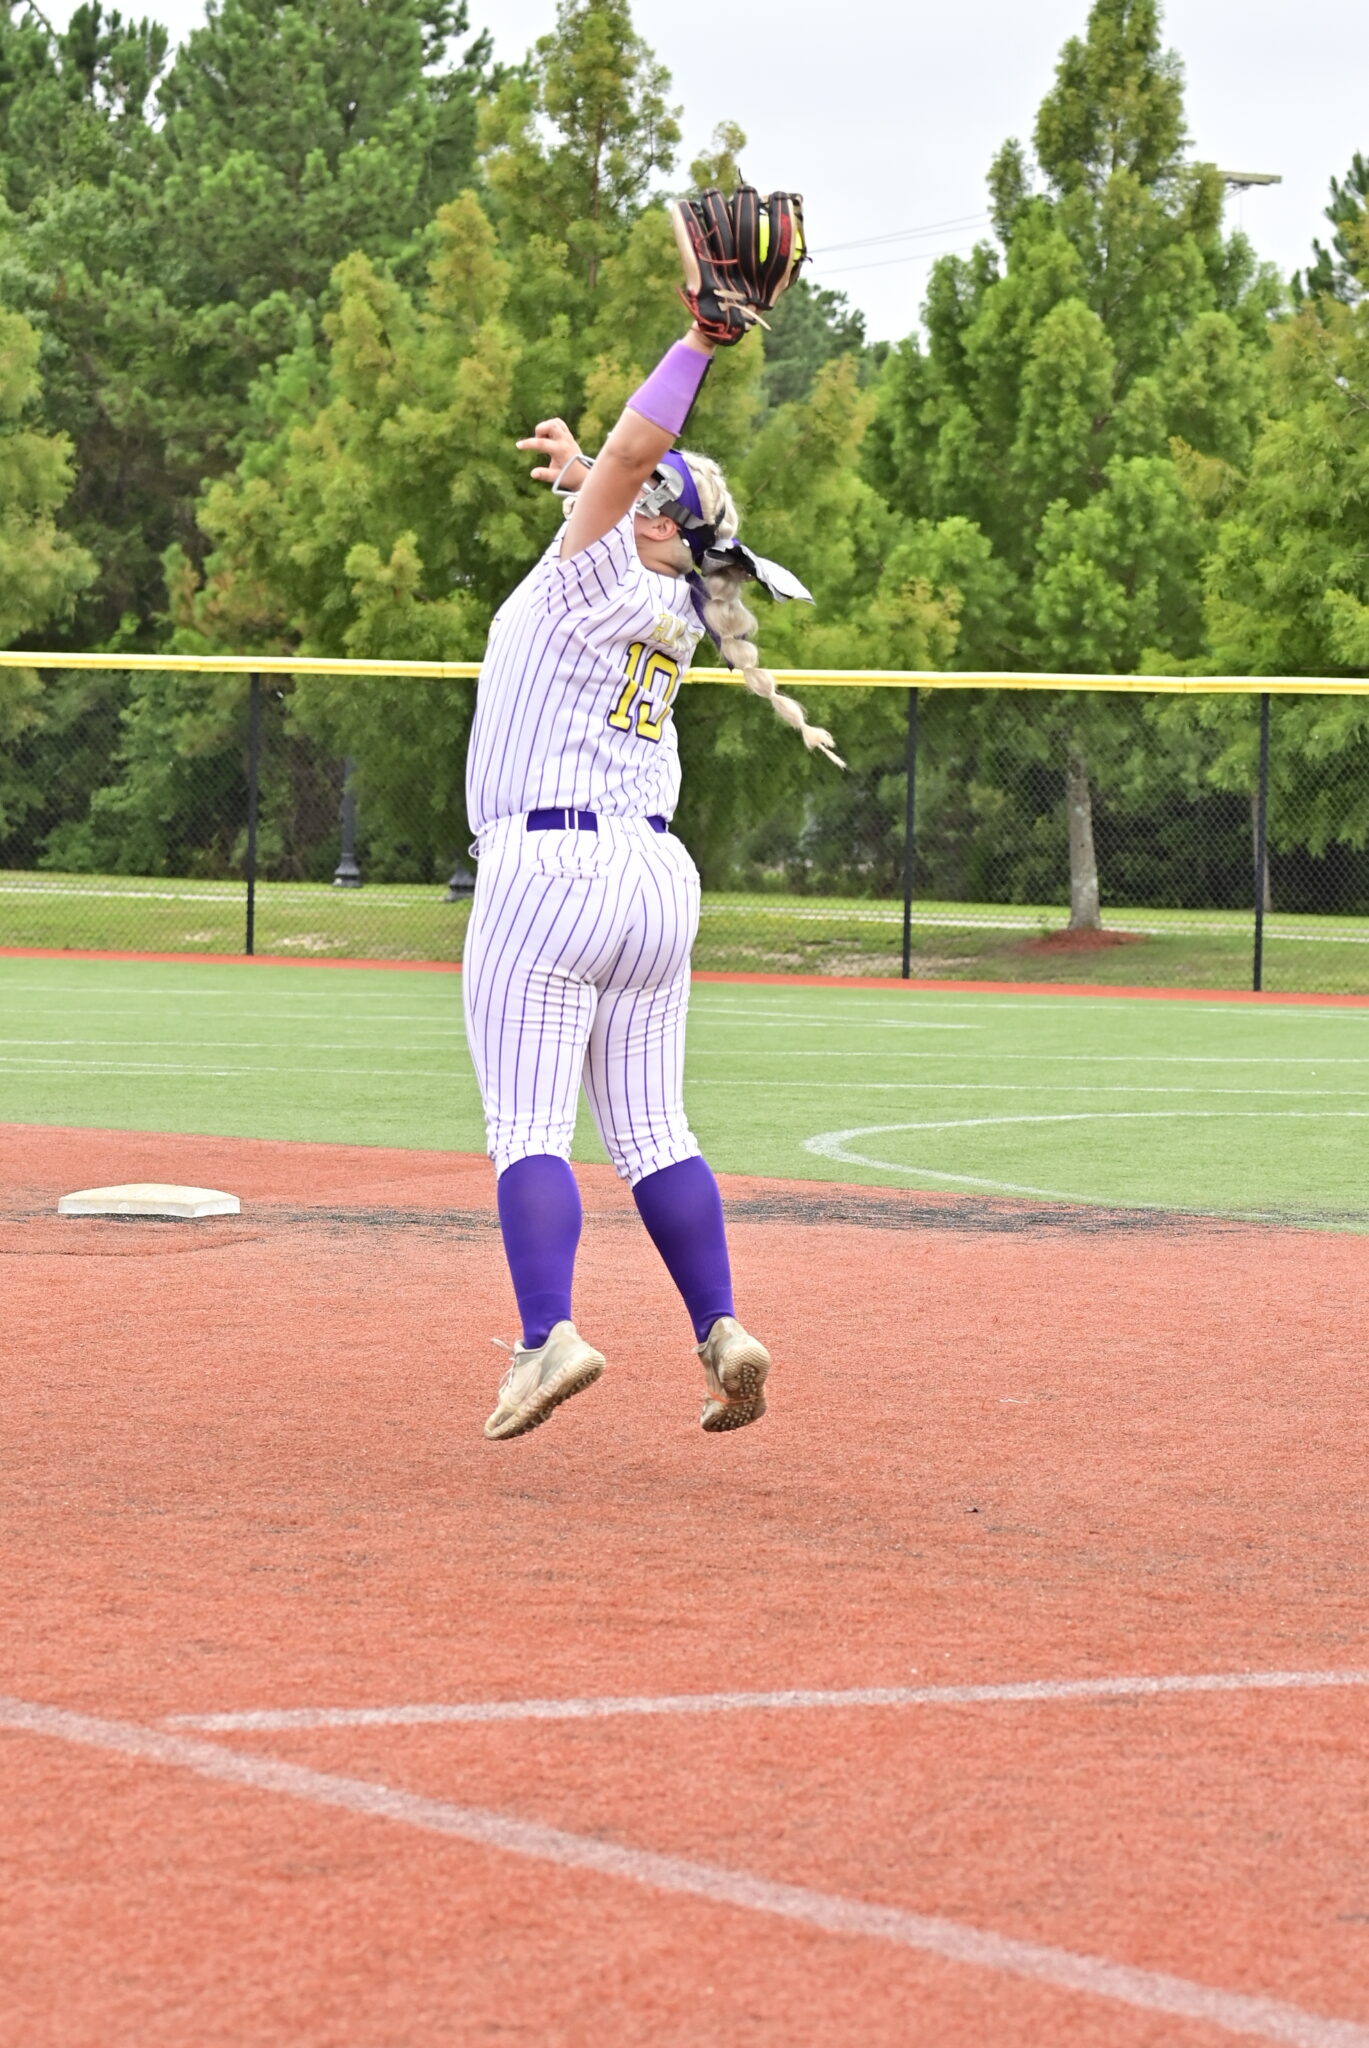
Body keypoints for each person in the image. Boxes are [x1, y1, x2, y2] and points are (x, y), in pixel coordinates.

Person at [463, 210, 840, 1443]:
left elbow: (635, 461)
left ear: (638, 516)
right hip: (654, 881)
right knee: (654, 1129)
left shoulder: (578, 579)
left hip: (548, 867)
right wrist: (595, 473)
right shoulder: (683, 605)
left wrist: (699, 341)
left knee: (529, 1127)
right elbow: (646, 496)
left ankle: (545, 1337)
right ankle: (721, 1324)